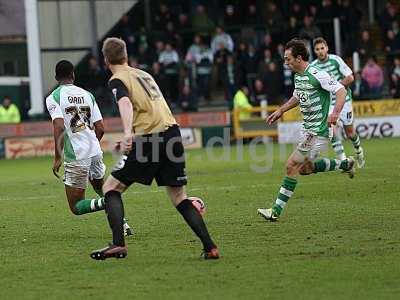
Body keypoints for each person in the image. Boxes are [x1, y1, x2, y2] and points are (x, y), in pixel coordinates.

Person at [90, 38, 219, 260]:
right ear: (126, 55)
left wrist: (129, 133)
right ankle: (210, 247)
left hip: (150, 138)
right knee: (179, 196)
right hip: (172, 133)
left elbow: (125, 103)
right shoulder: (144, 75)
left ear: (105, 60)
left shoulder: (117, 79)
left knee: (111, 188)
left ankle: (118, 244)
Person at [257, 39, 355, 221]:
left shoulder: (318, 74)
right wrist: (281, 110)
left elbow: (341, 90)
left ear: (299, 58)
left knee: (291, 165)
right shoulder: (298, 76)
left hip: (318, 131)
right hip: (308, 130)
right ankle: (344, 164)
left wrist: (335, 113)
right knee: (304, 169)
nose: (285, 62)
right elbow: (297, 95)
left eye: (288, 59)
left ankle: (275, 212)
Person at [45, 60, 133, 235]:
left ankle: (107, 203)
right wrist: (91, 144)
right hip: (94, 151)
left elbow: (59, 126)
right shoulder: (88, 95)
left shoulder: (53, 97)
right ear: (73, 75)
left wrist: (57, 157)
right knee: (102, 189)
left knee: (76, 206)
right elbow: (100, 127)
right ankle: (123, 225)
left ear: (56, 77)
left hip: (77, 155)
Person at [311, 37, 365, 167]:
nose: (320, 51)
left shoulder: (336, 60)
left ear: (327, 48)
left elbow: (350, 77)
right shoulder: (313, 67)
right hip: (329, 104)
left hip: (344, 101)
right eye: (317, 49)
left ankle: (359, 150)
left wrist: (335, 86)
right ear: (314, 51)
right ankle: (345, 161)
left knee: (350, 133)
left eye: (322, 48)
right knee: (331, 129)